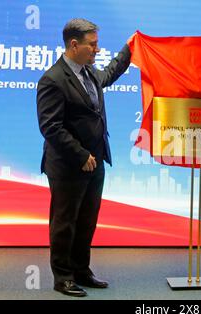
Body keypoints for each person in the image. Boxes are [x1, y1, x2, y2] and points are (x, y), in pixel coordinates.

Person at [37, 18, 131, 297]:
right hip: (68, 164)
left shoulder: (88, 72)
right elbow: (50, 126)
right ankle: (62, 277)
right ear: (74, 44)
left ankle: (81, 269)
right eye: (93, 45)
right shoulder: (53, 79)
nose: (97, 50)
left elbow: (109, 75)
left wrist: (129, 50)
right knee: (65, 222)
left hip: (96, 161)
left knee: (88, 220)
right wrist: (80, 154)